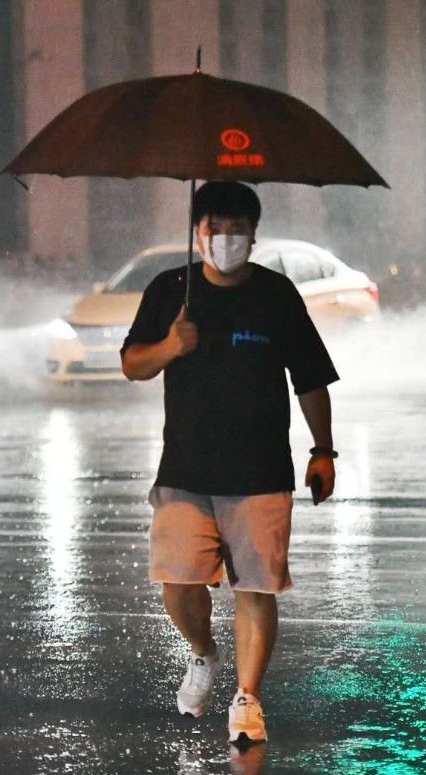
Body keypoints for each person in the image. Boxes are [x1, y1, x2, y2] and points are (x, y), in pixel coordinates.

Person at [120, 181, 339, 743]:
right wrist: (171, 345)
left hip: (261, 472)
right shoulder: (170, 291)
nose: (224, 238)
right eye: (213, 227)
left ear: (254, 233)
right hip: (185, 472)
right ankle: (202, 652)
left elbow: (311, 378)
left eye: (236, 228)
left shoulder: (277, 295)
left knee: (256, 588)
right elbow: (133, 365)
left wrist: (322, 451)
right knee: (177, 583)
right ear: (197, 233)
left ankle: (247, 698)